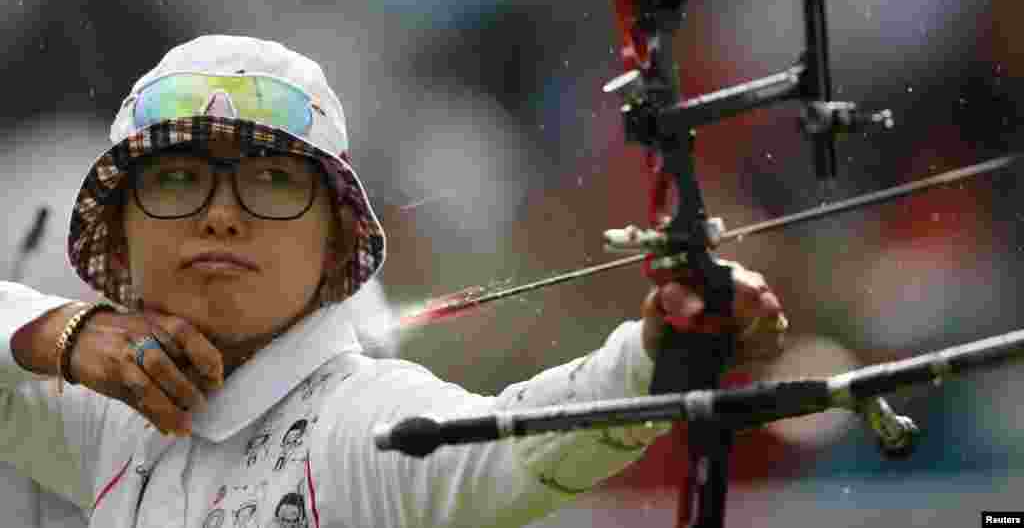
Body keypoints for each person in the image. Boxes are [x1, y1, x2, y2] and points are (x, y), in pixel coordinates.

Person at [0, 35, 787, 528]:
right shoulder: (109, 420)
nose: (221, 216)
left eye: (272, 180)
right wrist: (63, 334)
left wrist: (651, 360)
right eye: (177, 178)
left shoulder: (355, 421)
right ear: (122, 233)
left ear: (334, 241)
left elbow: (508, 448)